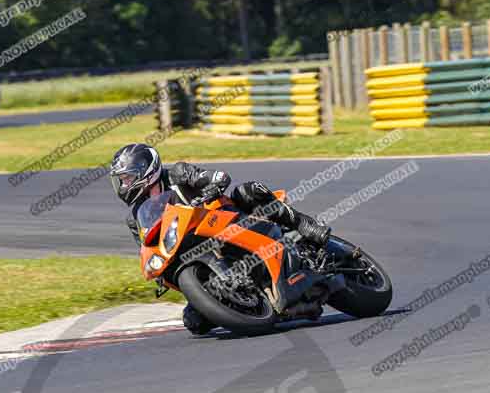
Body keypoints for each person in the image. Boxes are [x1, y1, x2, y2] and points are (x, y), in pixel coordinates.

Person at [109, 143, 331, 335]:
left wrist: (214, 183)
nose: (123, 185)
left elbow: (215, 177)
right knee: (194, 323)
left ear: (144, 171)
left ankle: (304, 224)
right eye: (120, 181)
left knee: (248, 191)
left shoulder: (177, 175)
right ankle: (252, 300)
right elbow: (147, 246)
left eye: (127, 178)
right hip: (190, 248)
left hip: (225, 218)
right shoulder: (135, 216)